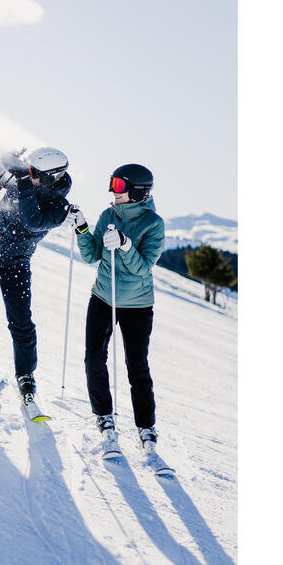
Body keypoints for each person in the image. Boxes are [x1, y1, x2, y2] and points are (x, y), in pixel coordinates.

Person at [66, 164, 165, 455]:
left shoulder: (154, 224)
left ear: (136, 191)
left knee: (137, 366)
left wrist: (125, 245)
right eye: (112, 184)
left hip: (137, 305)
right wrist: (82, 228)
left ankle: (146, 427)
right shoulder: (109, 215)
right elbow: (91, 255)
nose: (113, 191)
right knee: (94, 359)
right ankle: (104, 418)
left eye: (119, 186)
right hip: (103, 298)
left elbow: (143, 268)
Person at [0, 147, 72, 408]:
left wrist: (22, 180)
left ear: (49, 177)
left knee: (20, 323)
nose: (27, 173)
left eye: (33, 172)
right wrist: (3, 157)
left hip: (15, 266)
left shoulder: (59, 206)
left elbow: (32, 220)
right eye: (27, 169)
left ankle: (25, 375)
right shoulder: (20, 180)